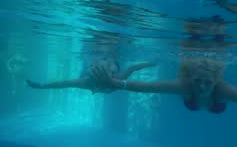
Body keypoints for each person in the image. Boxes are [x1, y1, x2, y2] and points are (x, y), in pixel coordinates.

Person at [87, 18, 237, 114]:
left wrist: (114, 83)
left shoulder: (185, 86)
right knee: (215, 31)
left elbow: (146, 88)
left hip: (192, 45)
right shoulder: (220, 90)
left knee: (191, 32)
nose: (201, 87)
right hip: (213, 41)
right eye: (200, 81)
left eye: (205, 82)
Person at [26, 58, 155, 93]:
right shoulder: (86, 81)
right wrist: (42, 86)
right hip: (97, 85)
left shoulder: (118, 79)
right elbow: (63, 83)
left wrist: (154, 62)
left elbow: (133, 67)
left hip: (103, 85)